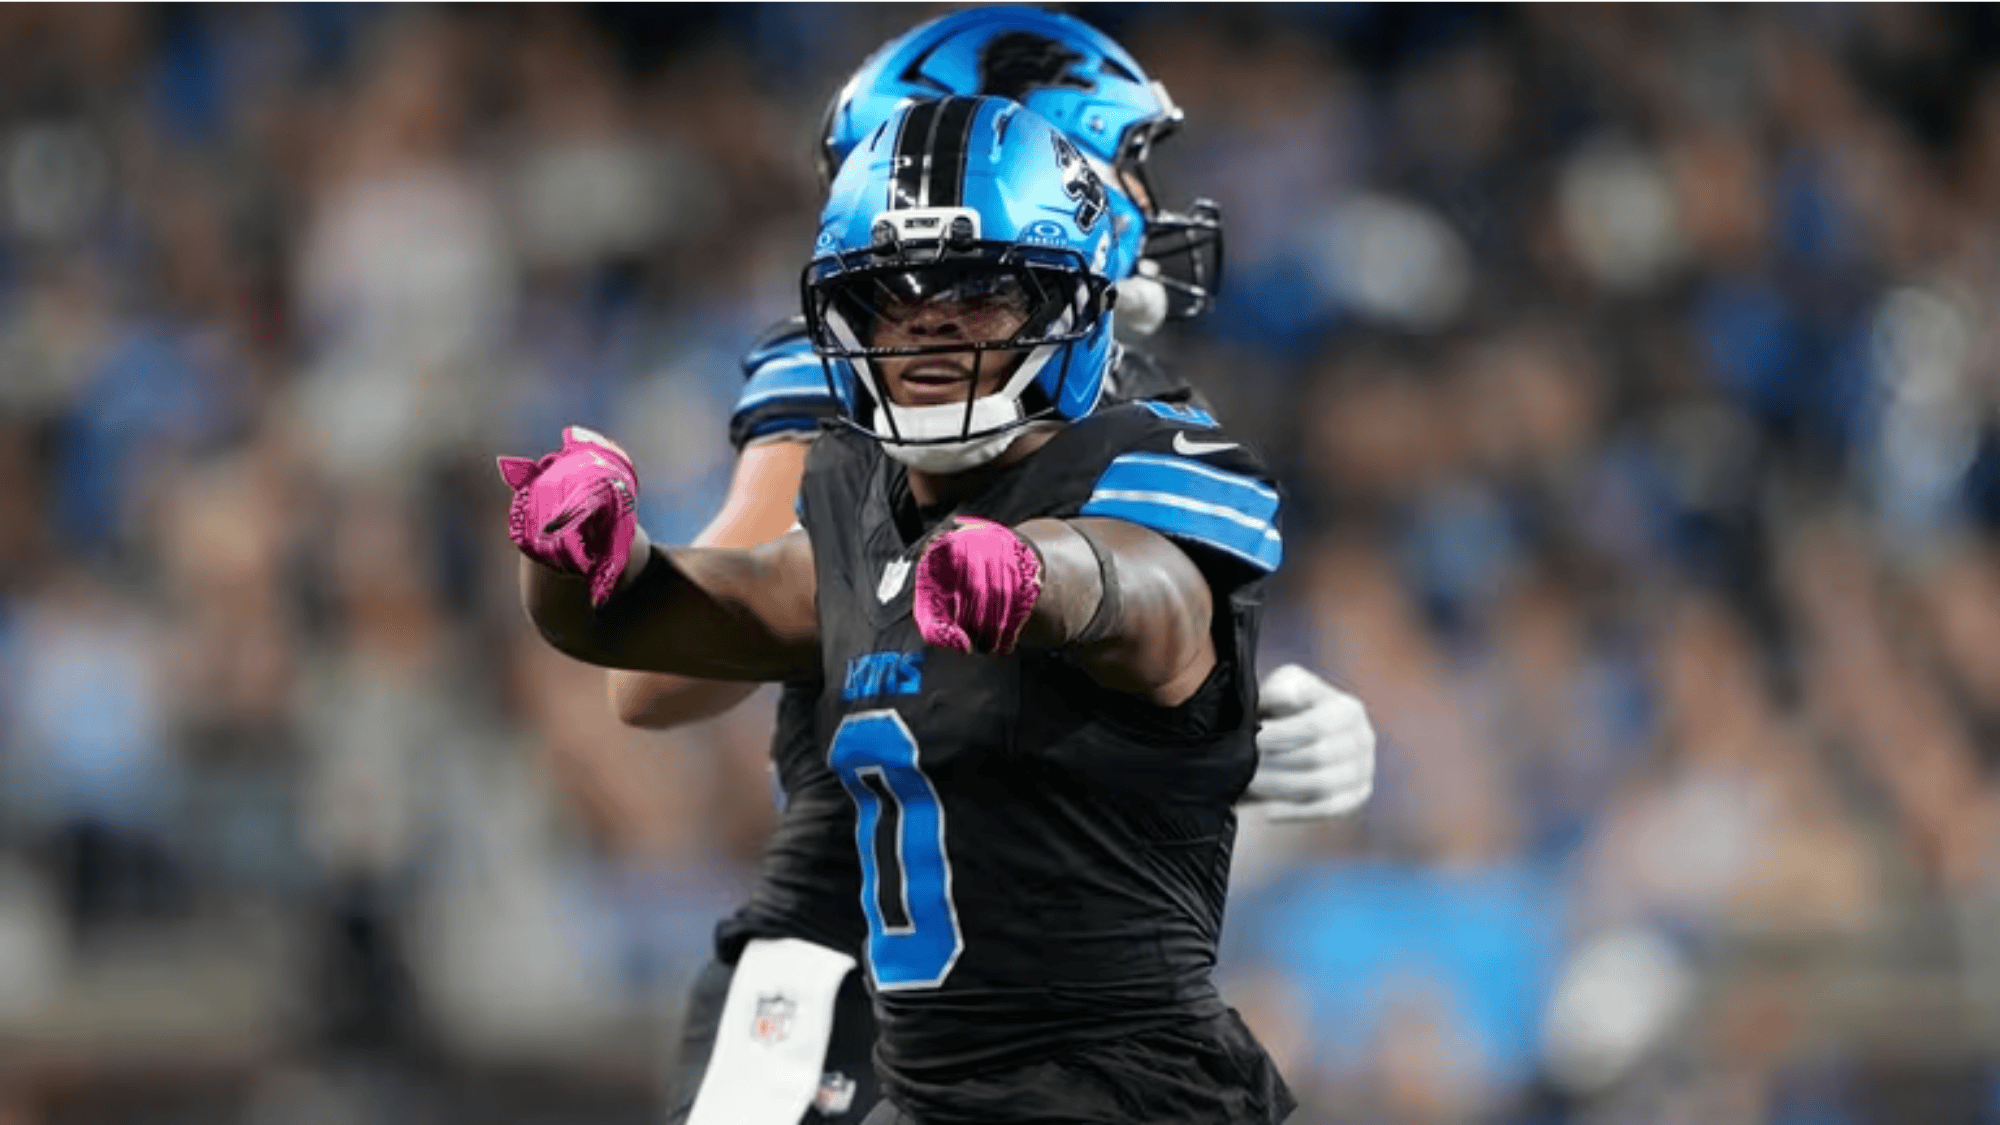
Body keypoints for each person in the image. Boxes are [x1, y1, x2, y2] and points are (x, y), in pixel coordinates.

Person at [595, 10, 1369, 1125]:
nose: (1150, 205)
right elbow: (657, 681)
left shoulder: (1118, 399)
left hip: (1031, 1014)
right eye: (1124, 162)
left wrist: (1224, 731)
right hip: (847, 982)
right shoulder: (886, 373)